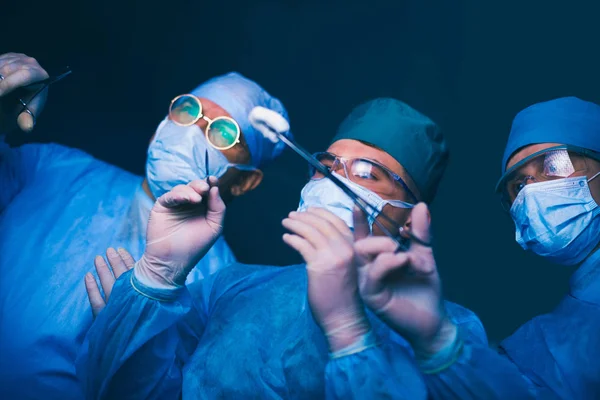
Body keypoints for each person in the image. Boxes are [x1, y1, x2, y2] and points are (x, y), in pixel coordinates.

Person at [80, 98, 489, 399]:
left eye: (369, 173)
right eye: (327, 165)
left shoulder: (447, 332)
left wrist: (349, 330)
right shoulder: (233, 288)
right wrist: (153, 285)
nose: (335, 180)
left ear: (410, 218)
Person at [0, 52, 291, 399]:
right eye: (188, 110)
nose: (193, 132)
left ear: (245, 183)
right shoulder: (54, 168)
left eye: (223, 132)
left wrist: (134, 328)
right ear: (162, 127)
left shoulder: (222, 288)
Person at [356, 96, 600, 399]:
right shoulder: (548, 351)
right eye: (518, 187)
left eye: (554, 165)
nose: (534, 191)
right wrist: (438, 342)